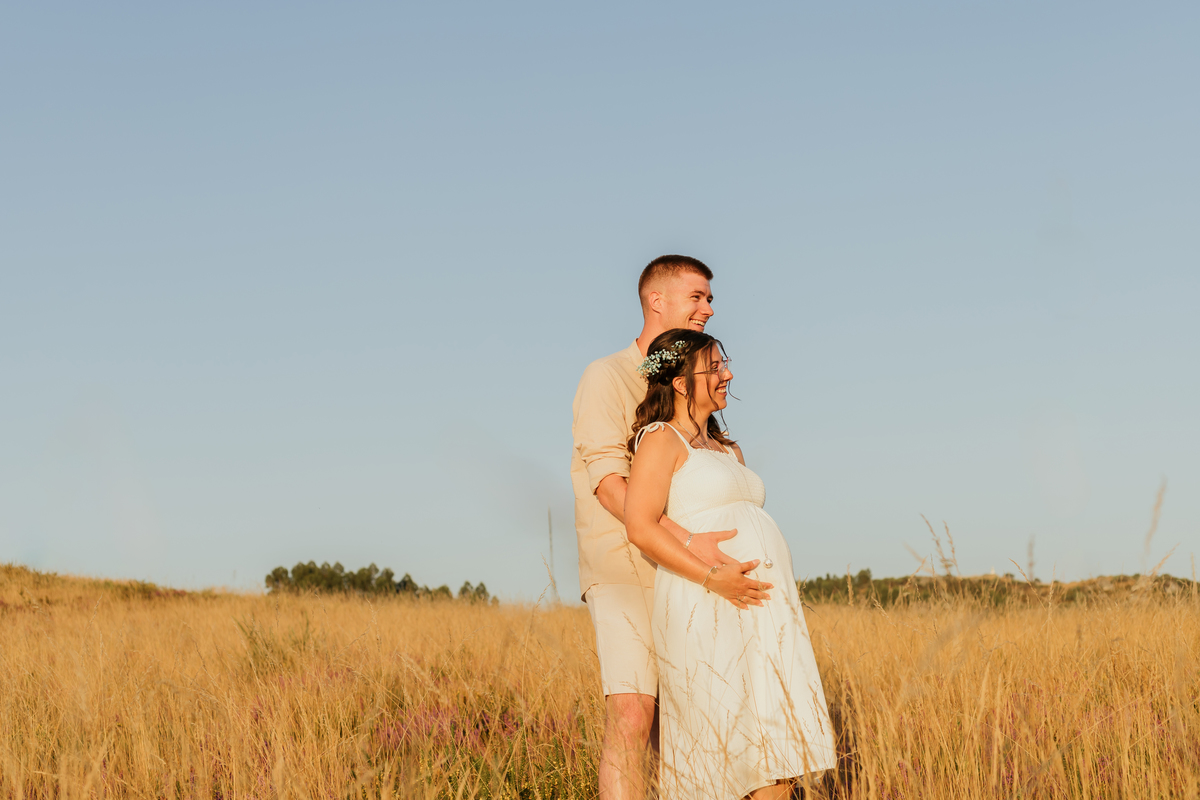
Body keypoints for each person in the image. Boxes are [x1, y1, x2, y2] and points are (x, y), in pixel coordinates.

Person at [571, 256, 769, 800]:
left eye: (709, 299)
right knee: (633, 713)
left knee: (689, 723)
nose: (708, 308)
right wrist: (685, 540)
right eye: (697, 297)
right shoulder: (607, 376)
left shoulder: (692, 387)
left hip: (685, 574)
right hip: (625, 570)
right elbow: (610, 484)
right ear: (657, 301)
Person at [624, 329, 838, 800]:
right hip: (705, 600)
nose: (728, 375)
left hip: (760, 610)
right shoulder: (661, 439)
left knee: (774, 748)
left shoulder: (729, 448)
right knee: (724, 738)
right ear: (681, 383)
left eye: (725, 364)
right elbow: (640, 525)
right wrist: (711, 576)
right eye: (715, 367)